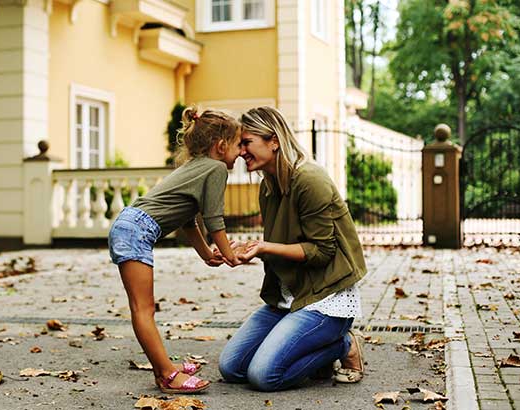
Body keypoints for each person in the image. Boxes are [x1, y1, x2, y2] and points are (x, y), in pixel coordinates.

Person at [217, 106, 367, 391]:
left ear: (273, 140)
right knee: (232, 367)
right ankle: (312, 353)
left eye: (246, 142)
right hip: (289, 298)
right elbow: (278, 244)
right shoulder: (268, 186)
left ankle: (342, 344)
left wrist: (264, 248)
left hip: (325, 299)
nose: (241, 151)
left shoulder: (310, 180)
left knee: (263, 375)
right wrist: (247, 249)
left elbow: (322, 251)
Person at [108, 107, 242, 394]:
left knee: (143, 308)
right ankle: (168, 374)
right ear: (221, 146)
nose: (241, 152)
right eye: (238, 144)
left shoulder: (195, 167)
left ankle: (163, 371)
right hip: (136, 230)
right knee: (143, 309)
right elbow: (213, 219)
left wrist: (207, 254)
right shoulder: (216, 169)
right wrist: (230, 254)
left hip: (130, 225)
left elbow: (187, 220)